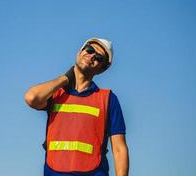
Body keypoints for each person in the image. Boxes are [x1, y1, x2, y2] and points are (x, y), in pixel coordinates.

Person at [24, 37, 129, 176]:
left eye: (98, 57)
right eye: (89, 50)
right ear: (80, 52)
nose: (91, 56)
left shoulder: (108, 99)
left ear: (102, 69)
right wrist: (66, 78)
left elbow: (119, 149)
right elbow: (32, 98)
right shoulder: (56, 94)